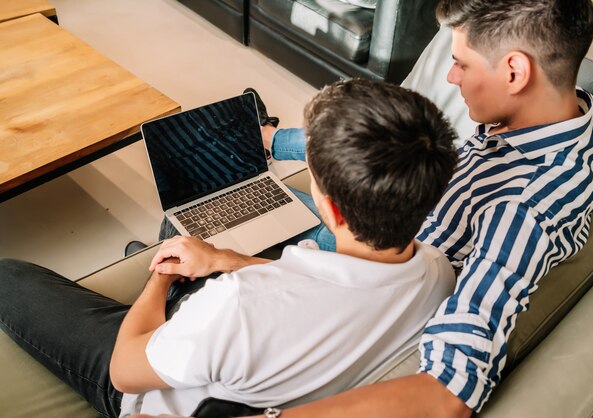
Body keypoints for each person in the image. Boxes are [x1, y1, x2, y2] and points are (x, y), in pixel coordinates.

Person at [235, 0, 593, 416]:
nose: (451, 78)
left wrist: (236, 264)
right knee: (377, 140)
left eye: (462, 64)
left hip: (377, 257)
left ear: (514, 72)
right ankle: (269, 138)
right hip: (414, 209)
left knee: (215, 212)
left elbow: (449, 393)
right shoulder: (580, 117)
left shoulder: (521, 211)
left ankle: (259, 140)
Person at [0, 79, 459, 417]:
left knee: (9, 276)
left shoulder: (240, 304)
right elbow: (314, 290)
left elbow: (124, 370)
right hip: (233, 347)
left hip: (155, 387)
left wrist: (158, 279)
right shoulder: (437, 272)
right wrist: (226, 260)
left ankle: (158, 267)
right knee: (187, 246)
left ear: (332, 212)